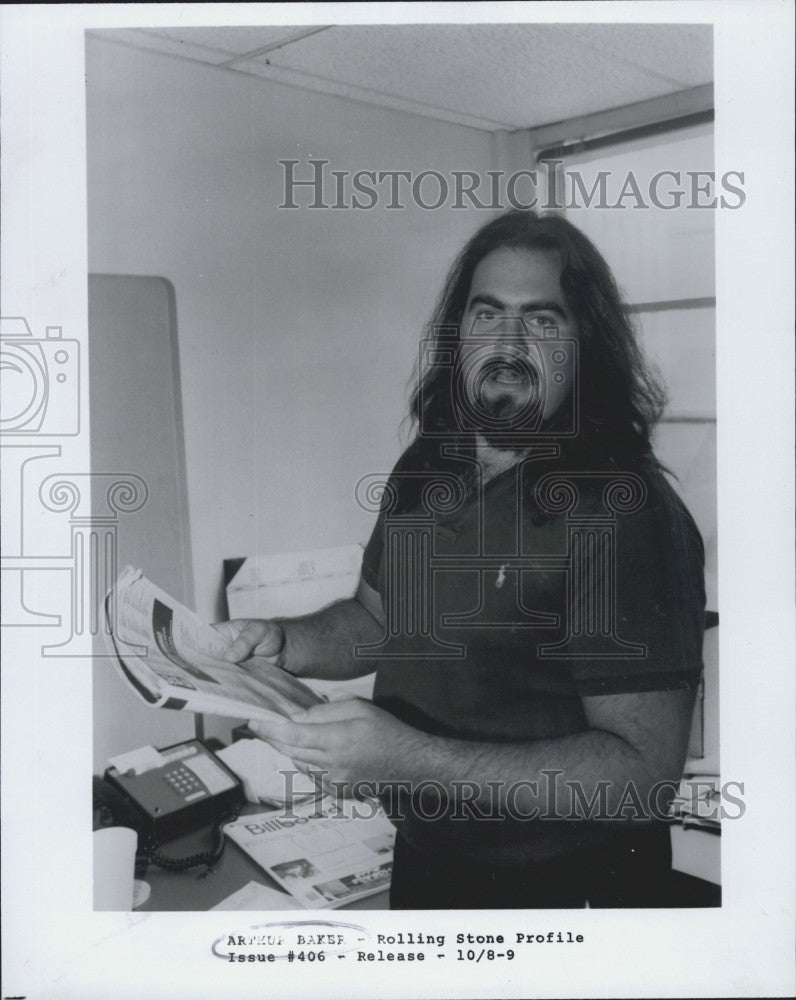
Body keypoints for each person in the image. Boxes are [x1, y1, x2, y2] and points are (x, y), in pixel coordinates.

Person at [215, 210, 706, 909]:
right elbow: (375, 619)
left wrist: (409, 759)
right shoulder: (428, 463)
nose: (508, 344)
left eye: (541, 320)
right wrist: (286, 642)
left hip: (573, 888)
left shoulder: (624, 512)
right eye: (487, 314)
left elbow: (640, 777)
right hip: (429, 861)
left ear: (585, 344)